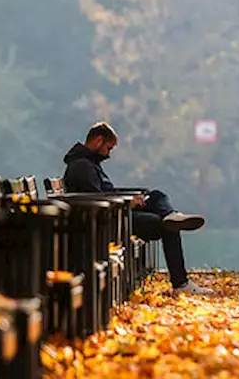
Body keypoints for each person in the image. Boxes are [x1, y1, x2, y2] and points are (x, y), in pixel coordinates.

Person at [62, 121, 213, 295]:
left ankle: (171, 214)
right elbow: (95, 199)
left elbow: (104, 193)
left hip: (117, 213)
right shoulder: (82, 167)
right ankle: (180, 283)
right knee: (165, 226)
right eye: (108, 148)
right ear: (98, 140)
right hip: (109, 221)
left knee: (156, 195)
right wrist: (128, 202)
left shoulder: (88, 164)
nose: (108, 154)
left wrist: (132, 198)